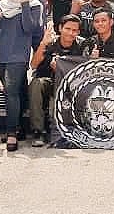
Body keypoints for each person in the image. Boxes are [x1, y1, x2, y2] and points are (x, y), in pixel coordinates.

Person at [0, 0, 43, 152]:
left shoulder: (33, 4)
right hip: (1, 54)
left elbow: (29, 28)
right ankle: (18, 127)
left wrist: (25, 4)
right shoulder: (2, 4)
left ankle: (11, 132)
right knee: (14, 92)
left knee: (10, 92)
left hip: (18, 55)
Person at [28, 15, 87, 147]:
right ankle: (38, 131)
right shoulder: (49, 42)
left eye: (74, 30)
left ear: (78, 32)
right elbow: (33, 65)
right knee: (36, 84)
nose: (70, 33)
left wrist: (62, 69)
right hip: (49, 81)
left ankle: (68, 130)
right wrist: (43, 43)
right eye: (67, 29)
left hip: (71, 85)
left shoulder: (83, 45)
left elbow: (85, 72)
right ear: (60, 28)